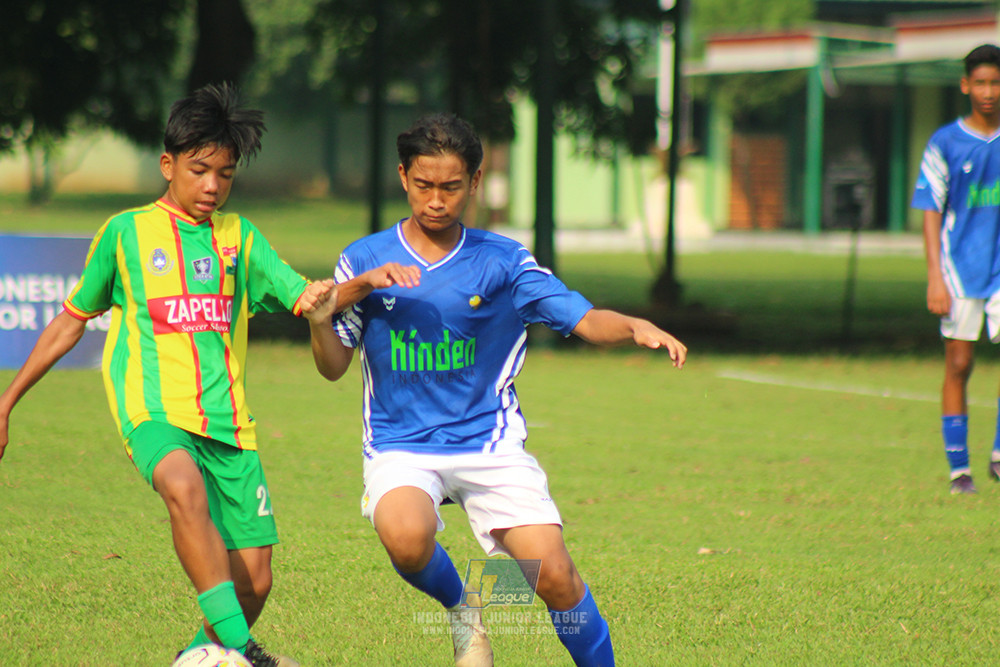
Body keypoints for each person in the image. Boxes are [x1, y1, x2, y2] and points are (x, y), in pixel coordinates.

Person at [305, 113, 687, 667]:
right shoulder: (364, 260)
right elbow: (333, 367)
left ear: (476, 182)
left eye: (452, 187)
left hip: (489, 444)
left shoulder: (503, 262)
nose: (436, 200)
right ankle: (466, 611)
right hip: (401, 445)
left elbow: (581, 319)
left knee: (553, 574)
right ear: (403, 176)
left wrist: (632, 326)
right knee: (406, 537)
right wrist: (324, 317)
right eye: (424, 185)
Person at [0, 83, 335, 666]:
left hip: (230, 424)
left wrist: (363, 282)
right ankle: (245, 651)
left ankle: (198, 656)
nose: (212, 186)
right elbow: (70, 321)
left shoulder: (241, 238)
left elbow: (307, 297)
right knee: (182, 486)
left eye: (225, 175)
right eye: (200, 170)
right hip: (152, 412)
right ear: (168, 164)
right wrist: (6, 403)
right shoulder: (125, 233)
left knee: (255, 579)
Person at [913, 43, 1000, 495]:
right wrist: (935, 276)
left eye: (996, 82)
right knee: (960, 362)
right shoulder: (945, 142)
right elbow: (930, 209)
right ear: (966, 86)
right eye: (981, 82)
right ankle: (959, 471)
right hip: (961, 268)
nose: (989, 91)